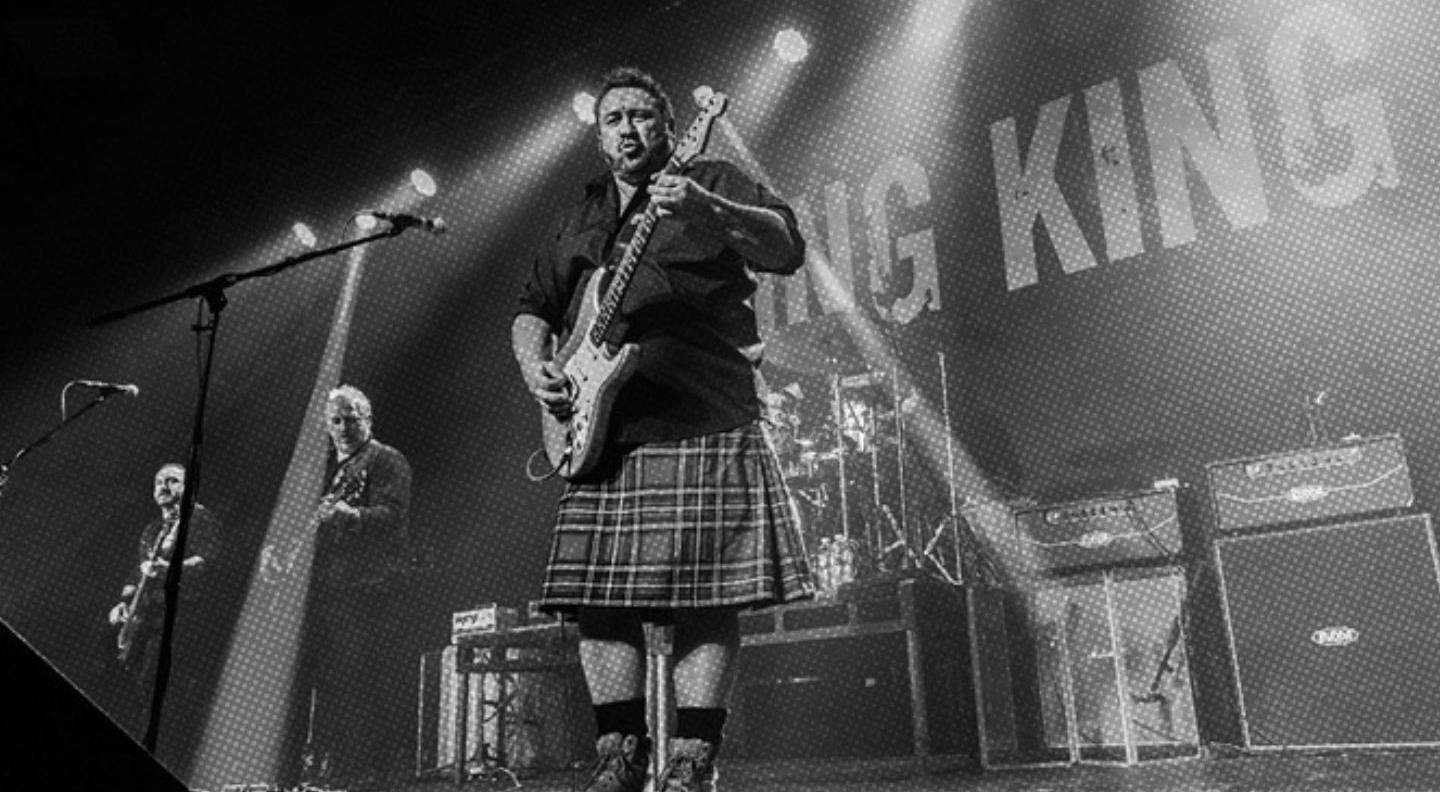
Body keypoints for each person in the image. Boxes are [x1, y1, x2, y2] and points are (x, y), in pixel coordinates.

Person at [512, 67, 814, 792]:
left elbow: (785, 248)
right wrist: (535, 369)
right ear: (599, 133)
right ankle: (619, 751)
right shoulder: (581, 215)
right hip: (603, 433)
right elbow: (532, 311)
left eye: (643, 116)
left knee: (707, 599)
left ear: (667, 126)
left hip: (706, 413)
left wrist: (708, 207)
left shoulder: (708, 175)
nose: (628, 128)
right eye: (614, 117)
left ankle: (691, 759)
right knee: (597, 598)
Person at [289, 385, 415, 789]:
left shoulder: (385, 459)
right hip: (330, 589)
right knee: (330, 678)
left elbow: (394, 516)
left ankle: (373, 770)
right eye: (336, 420)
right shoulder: (329, 469)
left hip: (370, 586)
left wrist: (351, 514)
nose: (343, 427)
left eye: (352, 417)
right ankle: (328, 766)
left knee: (365, 676)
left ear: (369, 418)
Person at [105, 462, 223, 757]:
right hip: (149, 617)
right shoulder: (152, 528)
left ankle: (170, 755)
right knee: (138, 686)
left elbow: (208, 561)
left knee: (160, 685)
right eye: (159, 481)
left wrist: (169, 570)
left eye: (173, 481)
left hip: (185, 617)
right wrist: (123, 602)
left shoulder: (200, 519)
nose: (164, 487)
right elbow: (136, 573)